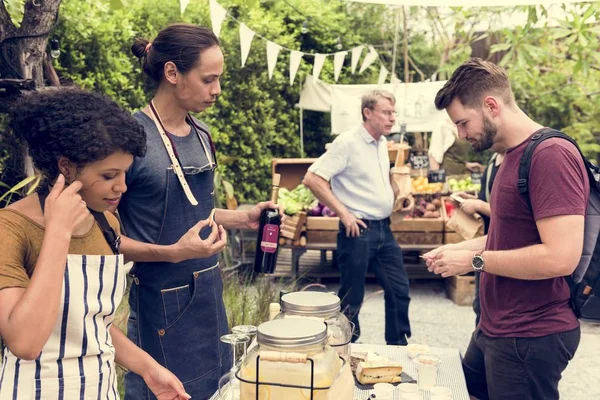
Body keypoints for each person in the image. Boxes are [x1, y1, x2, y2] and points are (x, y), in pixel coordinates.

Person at [121, 24, 281, 400]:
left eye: (219, 79)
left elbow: (197, 209)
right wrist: (175, 253)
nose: (217, 90)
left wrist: (243, 217)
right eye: (209, 80)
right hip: (158, 301)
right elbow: (105, 241)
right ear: (172, 73)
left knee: (217, 388)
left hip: (209, 292)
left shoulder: (201, 134)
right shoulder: (130, 138)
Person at [0, 88, 190, 399]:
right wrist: (58, 233)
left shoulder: (105, 222)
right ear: (66, 167)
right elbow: (24, 343)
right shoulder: (11, 227)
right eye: (108, 175)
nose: (122, 186)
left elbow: (88, 323)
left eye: (124, 173)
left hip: (100, 389)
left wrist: (147, 367)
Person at [425, 58, 587, 400]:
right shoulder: (510, 156)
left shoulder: (551, 155)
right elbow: (508, 238)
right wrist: (458, 251)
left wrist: (474, 262)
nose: (461, 134)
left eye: (463, 122)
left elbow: (560, 258)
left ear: (491, 106)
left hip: (530, 335)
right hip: (494, 328)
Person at [303, 90, 411, 346]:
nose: (392, 118)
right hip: (358, 232)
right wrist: (344, 213)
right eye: (386, 112)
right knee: (352, 297)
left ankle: (398, 348)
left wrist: (398, 194)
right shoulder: (347, 142)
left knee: (399, 291)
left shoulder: (383, 143)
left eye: (394, 112)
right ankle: (347, 348)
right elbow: (313, 178)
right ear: (368, 112)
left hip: (385, 230)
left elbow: (377, 180)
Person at [450, 150, 505, 326]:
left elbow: (511, 215)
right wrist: (473, 199)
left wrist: (479, 205)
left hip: (503, 248)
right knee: (480, 305)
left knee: (493, 305)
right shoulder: (493, 160)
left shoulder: (515, 162)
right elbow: (492, 200)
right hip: (487, 242)